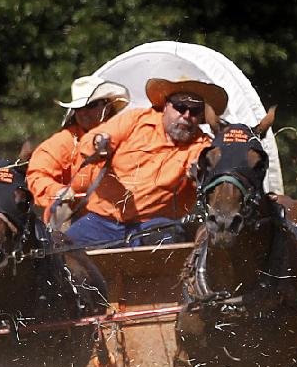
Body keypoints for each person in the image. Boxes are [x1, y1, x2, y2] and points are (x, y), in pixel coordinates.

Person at [62, 74, 228, 247]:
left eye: (194, 111)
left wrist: (198, 173)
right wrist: (98, 143)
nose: (186, 115)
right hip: (102, 222)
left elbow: (205, 171)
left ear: (201, 116)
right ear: (166, 106)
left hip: (153, 227)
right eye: (180, 107)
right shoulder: (135, 120)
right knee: (59, 251)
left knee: (170, 241)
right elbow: (89, 142)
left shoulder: (203, 145)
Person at [26, 75, 130, 222]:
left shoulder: (127, 135)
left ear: (107, 107)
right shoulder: (64, 142)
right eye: (78, 108)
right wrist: (58, 191)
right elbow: (37, 175)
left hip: (126, 218)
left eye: (90, 106)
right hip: (74, 220)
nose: (83, 112)